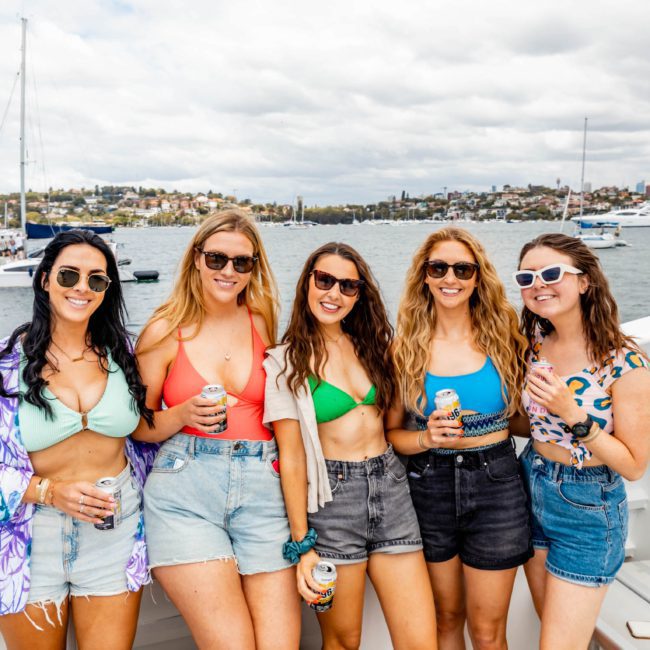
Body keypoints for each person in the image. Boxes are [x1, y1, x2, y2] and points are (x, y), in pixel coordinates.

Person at [133, 210, 300, 649]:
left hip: (264, 490)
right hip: (186, 491)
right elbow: (139, 425)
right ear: (196, 258)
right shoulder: (164, 330)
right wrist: (182, 415)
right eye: (217, 259)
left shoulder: (262, 320)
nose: (228, 271)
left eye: (241, 263)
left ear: (254, 267)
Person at [264, 242, 436, 650]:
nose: (334, 294)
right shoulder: (283, 363)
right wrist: (302, 545)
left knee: (420, 641)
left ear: (360, 295)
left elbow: (396, 421)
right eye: (324, 280)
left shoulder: (376, 346)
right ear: (307, 282)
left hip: (391, 490)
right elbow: (292, 459)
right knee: (344, 642)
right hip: (332, 501)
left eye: (348, 286)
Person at [0, 229, 157, 650]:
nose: (82, 288)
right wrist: (50, 492)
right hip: (30, 539)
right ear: (44, 279)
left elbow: (147, 432)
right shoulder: (6, 364)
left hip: (116, 528)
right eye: (69, 276)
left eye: (97, 279)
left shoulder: (124, 353)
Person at [386, 227, 532, 650]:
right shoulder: (404, 348)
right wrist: (427, 438)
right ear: (425, 277)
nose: (451, 278)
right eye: (439, 267)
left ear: (477, 277)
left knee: (487, 633)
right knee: (446, 618)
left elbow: (523, 420)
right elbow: (393, 435)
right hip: (429, 484)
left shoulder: (505, 336)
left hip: (497, 484)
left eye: (462, 268)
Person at [514, 233, 650, 650]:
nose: (538, 284)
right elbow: (532, 426)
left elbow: (632, 465)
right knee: (551, 631)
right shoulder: (535, 345)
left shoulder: (624, 360)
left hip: (587, 506)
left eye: (552, 273)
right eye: (526, 277)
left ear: (585, 281)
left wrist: (573, 413)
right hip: (530, 483)